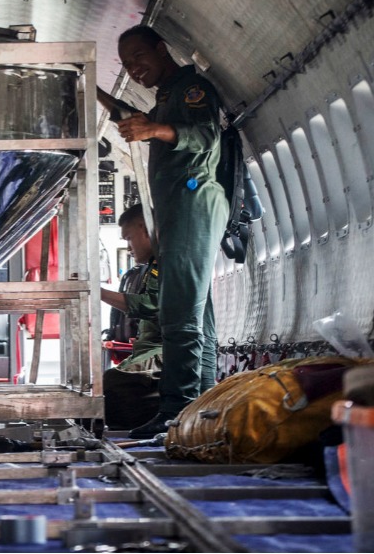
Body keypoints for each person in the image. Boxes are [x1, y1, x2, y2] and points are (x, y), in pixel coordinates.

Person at [114, 25, 229, 438]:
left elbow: (204, 134)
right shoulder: (165, 97)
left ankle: (176, 411)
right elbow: (133, 119)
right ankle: (207, 407)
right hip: (181, 209)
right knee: (200, 313)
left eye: (139, 57)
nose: (134, 68)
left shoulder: (191, 88)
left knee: (178, 312)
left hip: (193, 202)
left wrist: (154, 131)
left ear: (162, 49)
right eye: (127, 65)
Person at [100, 204, 162, 430]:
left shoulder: (165, 264)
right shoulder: (152, 267)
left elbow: (153, 306)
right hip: (150, 350)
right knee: (107, 384)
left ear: (145, 230)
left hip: (165, 353)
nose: (128, 247)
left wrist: (98, 293)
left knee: (112, 384)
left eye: (129, 238)